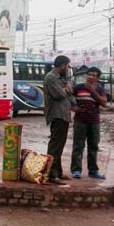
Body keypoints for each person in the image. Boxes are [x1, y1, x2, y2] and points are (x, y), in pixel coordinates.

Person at [70, 67, 107, 179]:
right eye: (89, 74)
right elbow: (69, 98)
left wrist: (92, 90)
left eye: (94, 75)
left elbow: (104, 103)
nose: (91, 77)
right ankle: (76, 170)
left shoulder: (100, 89)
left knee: (93, 146)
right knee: (78, 146)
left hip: (94, 121)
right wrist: (73, 107)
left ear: (97, 78)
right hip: (80, 121)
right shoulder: (78, 87)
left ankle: (93, 171)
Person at [43, 55, 74, 185]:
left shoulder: (61, 78)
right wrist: (67, 89)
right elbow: (59, 94)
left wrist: (67, 88)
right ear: (62, 65)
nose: (67, 68)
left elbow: (69, 91)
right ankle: (51, 174)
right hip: (57, 115)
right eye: (67, 65)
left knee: (60, 145)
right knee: (55, 145)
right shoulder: (51, 77)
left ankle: (58, 172)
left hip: (64, 115)